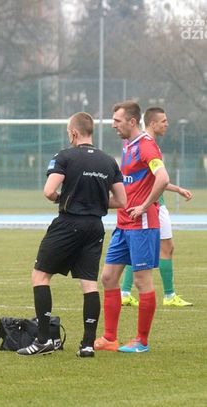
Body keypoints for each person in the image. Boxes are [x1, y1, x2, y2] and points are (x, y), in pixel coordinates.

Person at [15, 112, 126, 358]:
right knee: (89, 284)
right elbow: (121, 200)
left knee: (40, 276)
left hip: (68, 223)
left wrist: (65, 198)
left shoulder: (64, 156)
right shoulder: (108, 161)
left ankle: (43, 340)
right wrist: (95, 201)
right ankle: (87, 345)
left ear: (74, 132)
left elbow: (49, 191)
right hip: (95, 227)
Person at [95, 101, 170, 354]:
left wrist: (145, 205)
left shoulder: (146, 146)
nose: (113, 125)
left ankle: (142, 341)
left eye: (117, 121)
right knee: (108, 278)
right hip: (123, 224)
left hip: (142, 225)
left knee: (141, 281)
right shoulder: (128, 145)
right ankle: (109, 338)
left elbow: (163, 178)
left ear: (132, 121)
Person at [121, 107, 193, 307]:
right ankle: (169, 296)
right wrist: (146, 204)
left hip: (146, 205)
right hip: (153, 206)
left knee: (138, 250)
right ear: (152, 123)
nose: (167, 124)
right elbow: (159, 179)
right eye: (163, 121)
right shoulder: (147, 145)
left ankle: (125, 292)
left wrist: (177, 189)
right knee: (165, 248)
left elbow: (155, 179)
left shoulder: (135, 144)